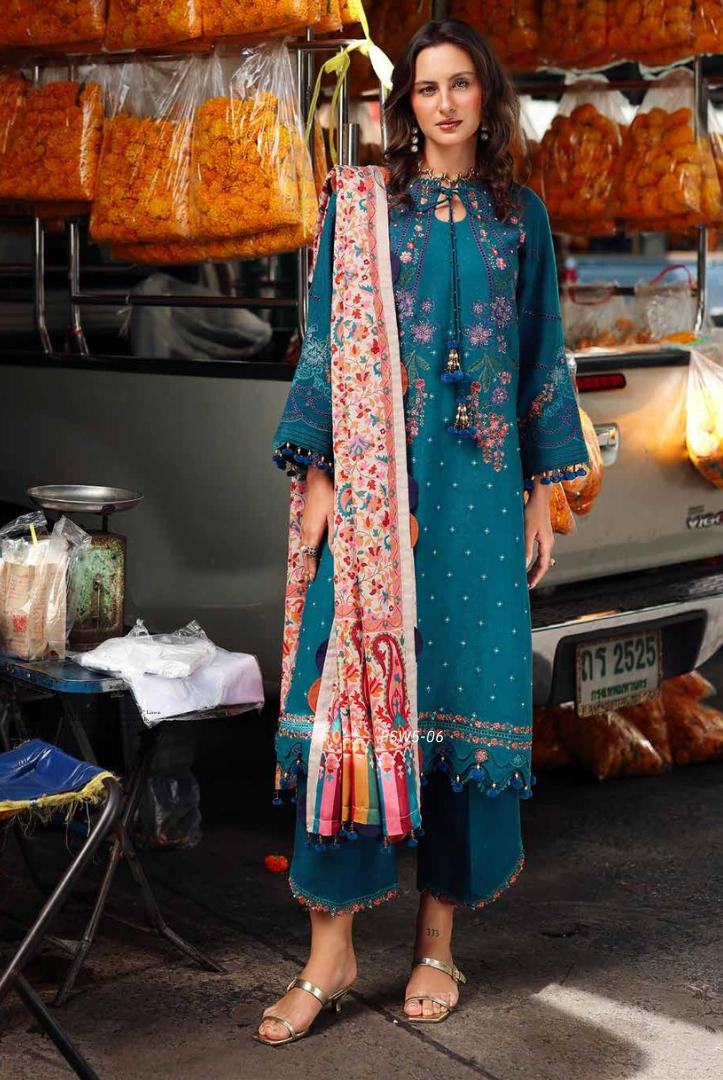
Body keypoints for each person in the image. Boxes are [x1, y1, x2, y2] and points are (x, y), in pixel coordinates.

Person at [257, 18, 590, 1046]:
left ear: (487, 98)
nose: (444, 104)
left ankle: (436, 943)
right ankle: (331, 950)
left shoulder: (521, 217)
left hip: (480, 495)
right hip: (374, 492)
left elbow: (540, 353)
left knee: (462, 705)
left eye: (461, 85)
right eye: (427, 87)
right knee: (344, 698)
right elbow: (325, 338)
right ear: (406, 103)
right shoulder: (364, 207)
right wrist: (319, 475)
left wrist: (540, 493)